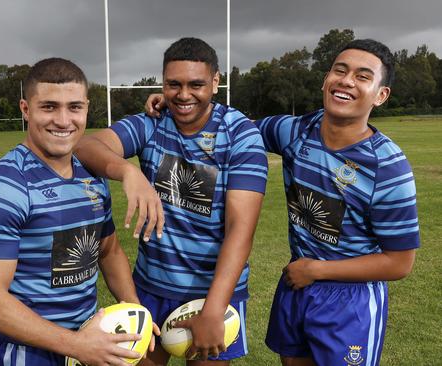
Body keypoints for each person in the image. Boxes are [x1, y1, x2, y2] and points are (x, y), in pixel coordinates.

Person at [146, 39, 420, 366]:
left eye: (363, 76)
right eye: (340, 70)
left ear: (381, 95)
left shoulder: (388, 167)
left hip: (348, 298)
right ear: (326, 79)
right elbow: (233, 128)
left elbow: (400, 262)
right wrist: (184, 101)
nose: (347, 80)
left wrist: (318, 270)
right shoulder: (295, 131)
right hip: (297, 283)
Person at [74, 37, 268, 365]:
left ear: (216, 82)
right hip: (151, 286)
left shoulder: (239, 135)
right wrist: (128, 172)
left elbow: (240, 230)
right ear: (162, 82)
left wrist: (214, 310)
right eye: (173, 84)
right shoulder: (153, 122)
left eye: (196, 84)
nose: (183, 94)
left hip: (212, 294)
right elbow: (86, 146)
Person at [0, 57, 150, 366]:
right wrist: (76, 345)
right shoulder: (2, 189)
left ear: (87, 108)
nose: (64, 121)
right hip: (28, 355)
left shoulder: (92, 178)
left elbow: (108, 250)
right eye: (49, 107)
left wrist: (134, 309)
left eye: (74, 107)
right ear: (25, 109)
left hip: (87, 343)